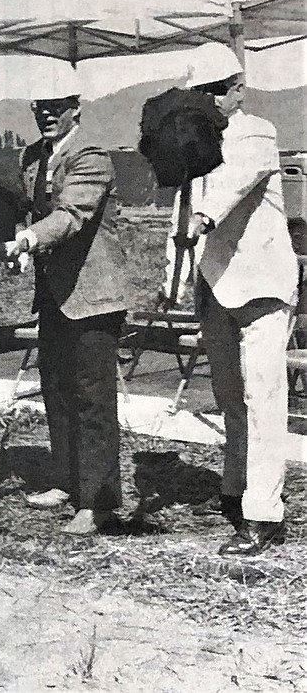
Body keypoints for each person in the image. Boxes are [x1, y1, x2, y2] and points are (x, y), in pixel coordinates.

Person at [175, 42, 297, 556]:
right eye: (198, 93)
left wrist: (202, 220)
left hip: (263, 287)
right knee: (229, 397)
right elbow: (183, 207)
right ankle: (235, 490)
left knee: (264, 399)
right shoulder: (195, 140)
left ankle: (265, 517)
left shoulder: (257, 133)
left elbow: (231, 183)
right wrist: (178, 273)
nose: (206, 102)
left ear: (237, 90)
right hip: (217, 284)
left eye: (213, 93)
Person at [0, 70, 131, 535]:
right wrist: (16, 241)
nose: (47, 114)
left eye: (56, 104)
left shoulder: (91, 155)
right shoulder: (34, 156)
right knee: (56, 390)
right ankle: (67, 480)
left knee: (93, 400)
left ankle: (97, 504)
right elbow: (28, 213)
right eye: (40, 106)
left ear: (76, 105)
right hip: (55, 296)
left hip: (93, 298)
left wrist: (30, 239)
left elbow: (72, 214)